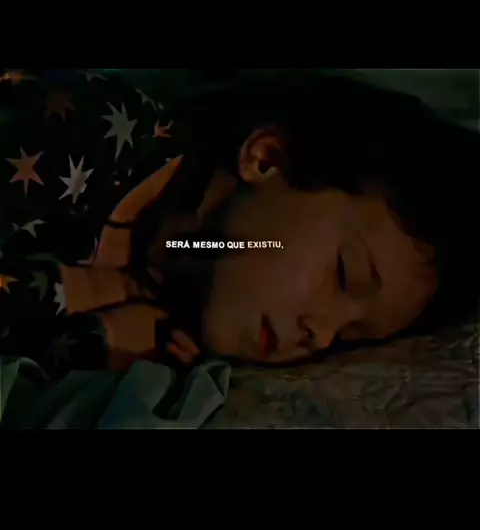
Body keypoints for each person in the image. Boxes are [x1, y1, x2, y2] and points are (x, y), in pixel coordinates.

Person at [0, 68, 478, 379]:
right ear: (266, 158)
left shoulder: (167, 303)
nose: (321, 334)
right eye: (344, 274)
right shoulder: (96, 136)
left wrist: (100, 341)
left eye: (350, 336)